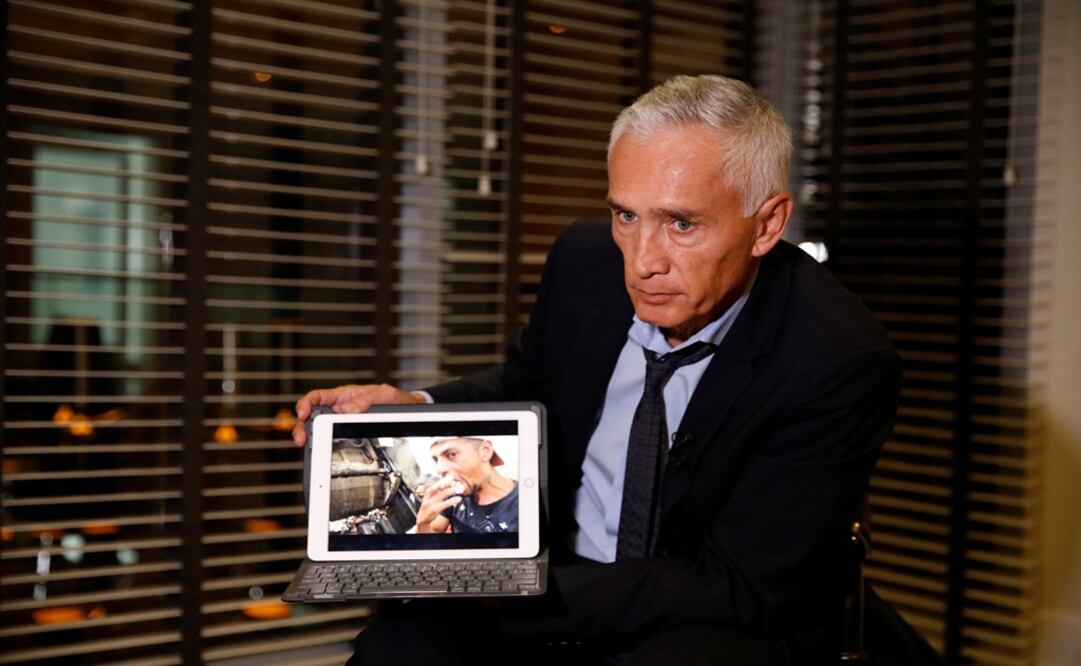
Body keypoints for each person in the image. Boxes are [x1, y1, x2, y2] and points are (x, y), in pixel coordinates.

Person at [293, 75, 903, 664]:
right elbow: (529, 388)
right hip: (564, 573)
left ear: (766, 224)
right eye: (626, 215)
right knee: (397, 647)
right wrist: (418, 407)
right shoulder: (585, 261)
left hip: (711, 613)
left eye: (682, 223)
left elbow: (739, 584)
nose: (641, 263)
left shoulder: (836, 358)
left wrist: (501, 591)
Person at [414, 437, 518, 534]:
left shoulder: (526, 507)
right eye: (436, 460)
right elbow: (434, 532)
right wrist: (423, 523)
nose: (439, 469)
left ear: (485, 451)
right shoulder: (452, 495)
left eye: (451, 454)